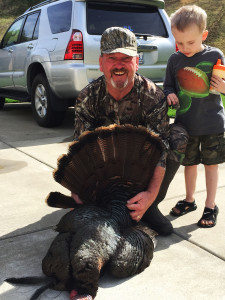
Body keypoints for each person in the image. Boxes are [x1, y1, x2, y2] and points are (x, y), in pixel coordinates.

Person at [72, 26, 188, 236]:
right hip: (104, 170)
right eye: (111, 58)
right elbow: (80, 150)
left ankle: (149, 206)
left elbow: (161, 149)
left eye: (126, 58)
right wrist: (78, 192)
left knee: (178, 136)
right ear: (101, 63)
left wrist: (151, 195)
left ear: (136, 61)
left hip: (141, 165)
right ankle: (103, 202)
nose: (118, 65)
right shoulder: (87, 98)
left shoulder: (153, 96)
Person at [164, 5, 225, 227]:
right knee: (189, 164)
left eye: (190, 42)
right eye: (179, 42)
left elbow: (223, 84)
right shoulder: (175, 60)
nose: (184, 48)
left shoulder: (215, 55)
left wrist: (224, 87)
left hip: (212, 123)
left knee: (211, 165)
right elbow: (168, 87)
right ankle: (189, 200)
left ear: (204, 35)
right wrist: (170, 95)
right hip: (185, 125)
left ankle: (210, 205)